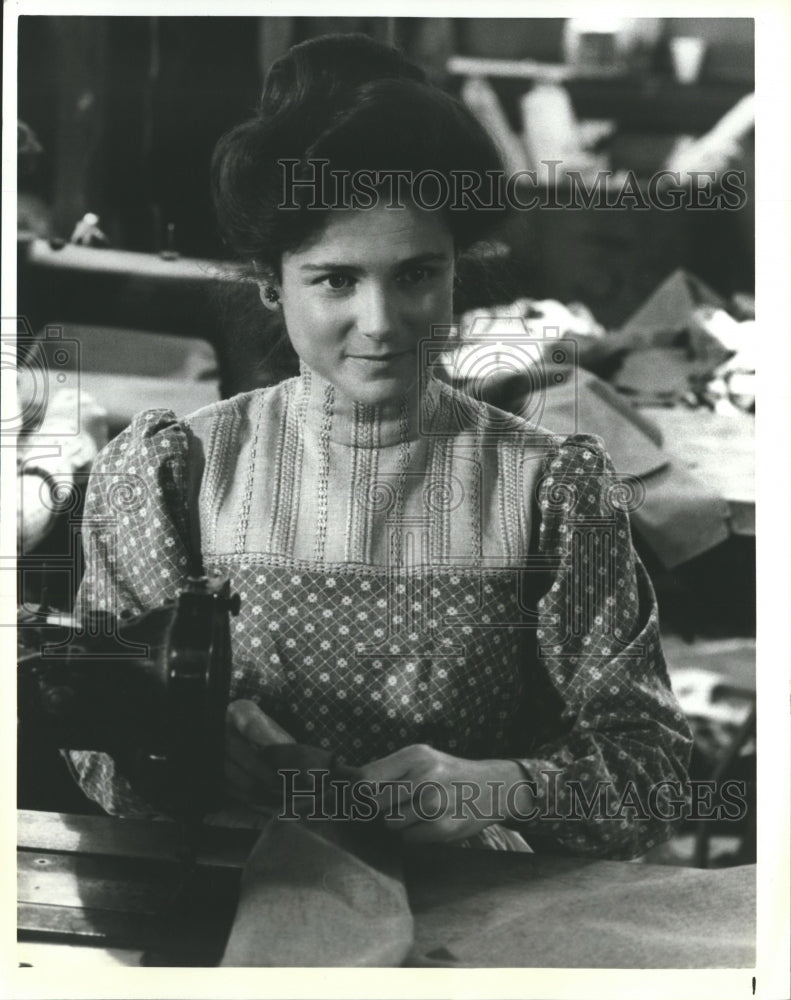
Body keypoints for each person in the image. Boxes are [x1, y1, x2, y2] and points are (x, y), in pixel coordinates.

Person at [69, 35, 691, 867]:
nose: (382, 322)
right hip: (228, 911)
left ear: (456, 271)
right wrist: (184, 753)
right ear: (269, 282)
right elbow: (95, 745)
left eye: (415, 276)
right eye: (334, 280)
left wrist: (503, 785)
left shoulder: (550, 490)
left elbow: (653, 776)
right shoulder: (171, 475)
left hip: (473, 925)